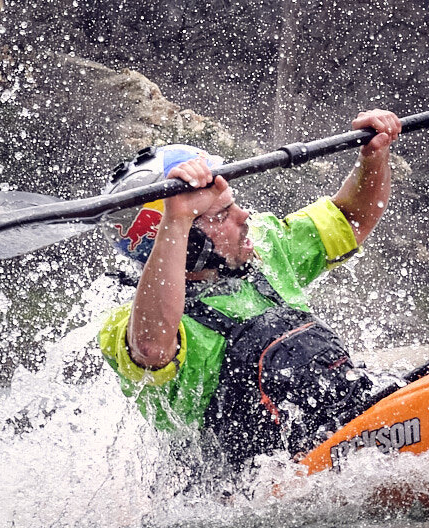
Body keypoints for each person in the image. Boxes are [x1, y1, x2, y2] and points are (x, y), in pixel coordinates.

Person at [95, 110, 404, 469]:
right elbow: (151, 347)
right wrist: (177, 218)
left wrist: (374, 156)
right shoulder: (127, 325)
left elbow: (350, 219)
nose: (243, 217)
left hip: (348, 425)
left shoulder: (264, 248)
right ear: (189, 243)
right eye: (221, 215)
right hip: (248, 487)